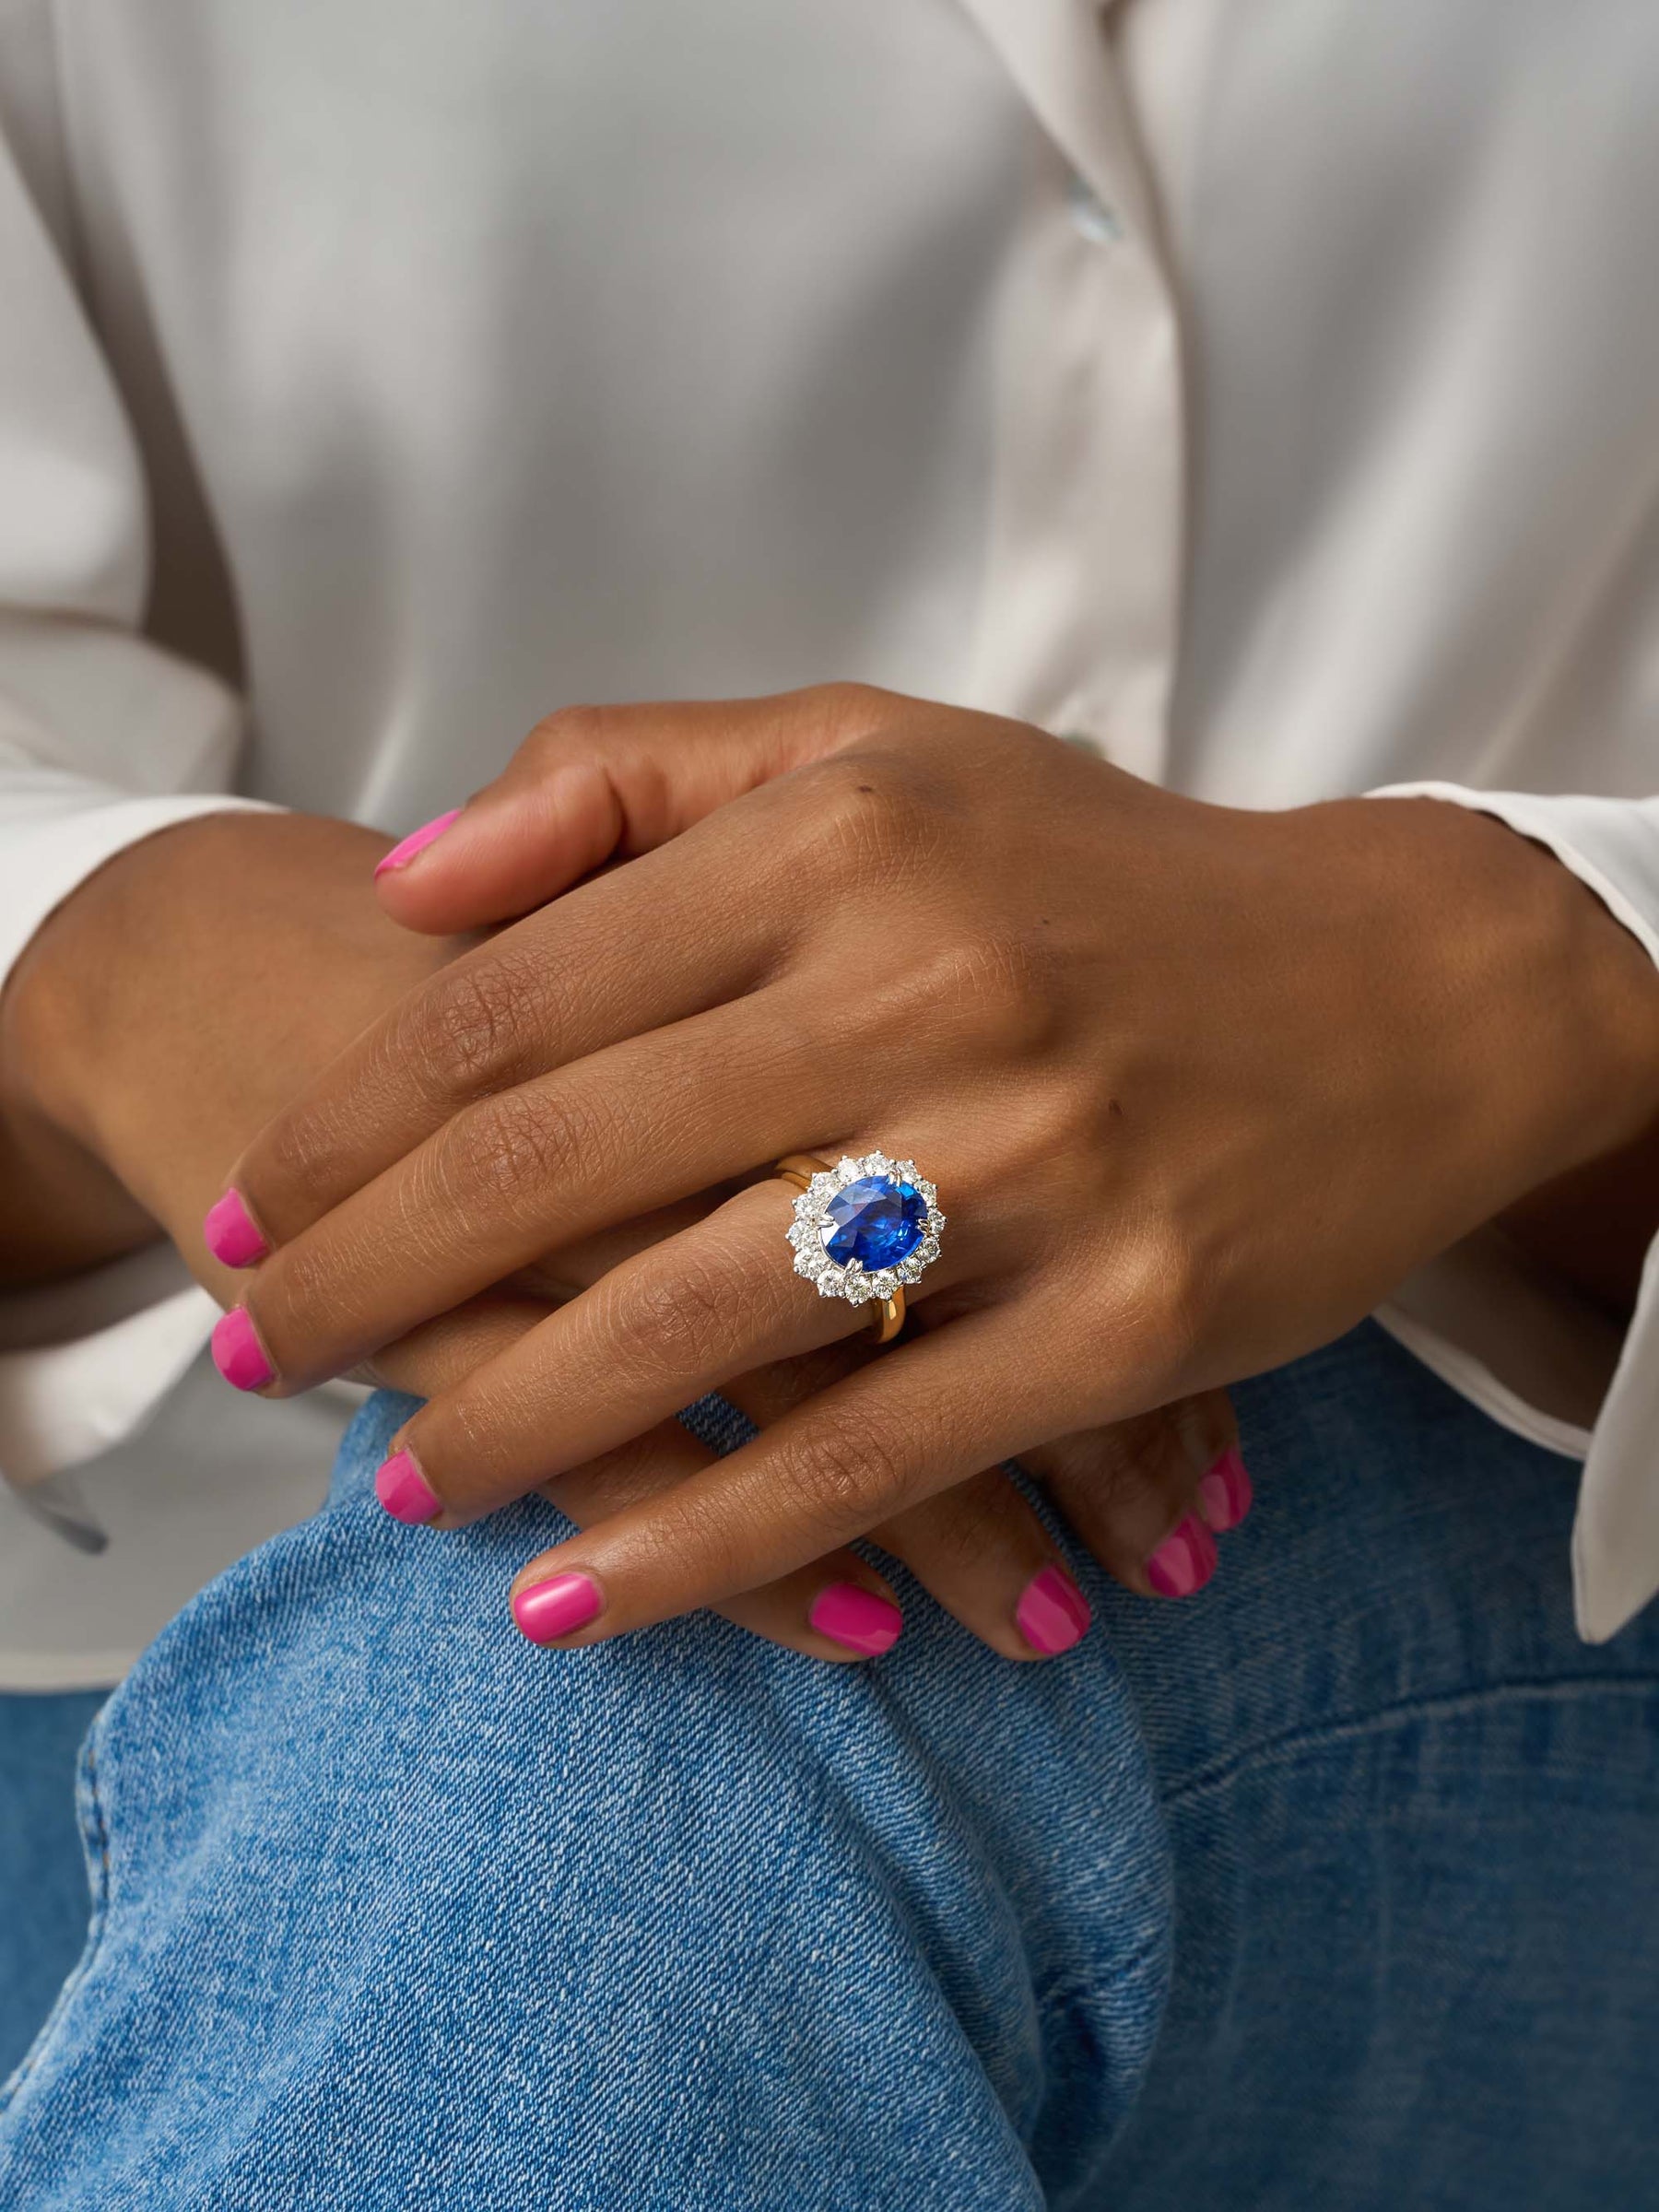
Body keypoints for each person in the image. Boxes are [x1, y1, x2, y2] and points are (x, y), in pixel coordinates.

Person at [1, 2, 1657, 2202]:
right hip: (135, 1623)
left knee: (642, 1694)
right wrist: (108, 941)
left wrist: (1544, 967)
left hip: (1527, 1555)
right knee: (607, 1629)